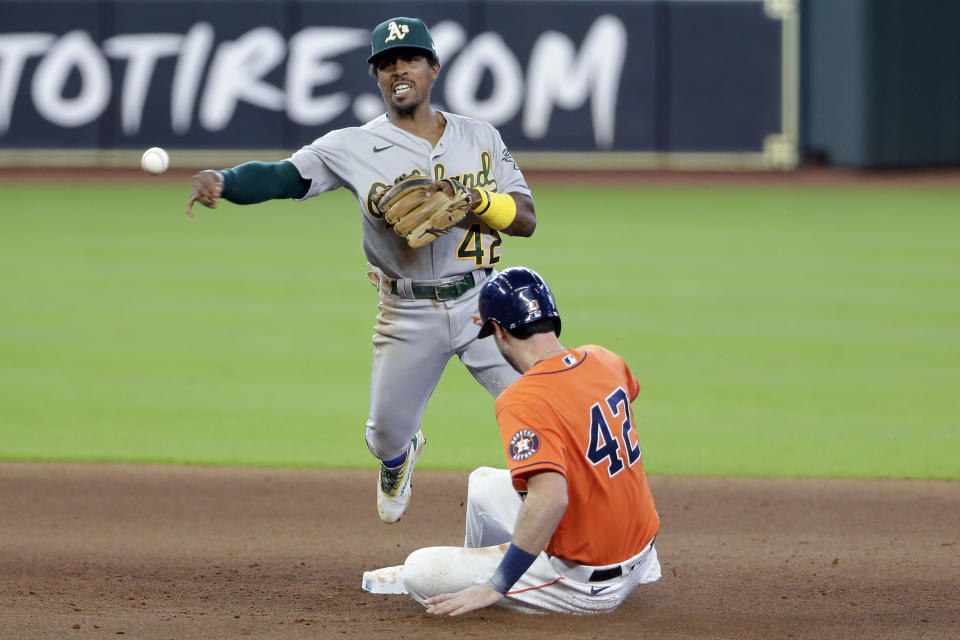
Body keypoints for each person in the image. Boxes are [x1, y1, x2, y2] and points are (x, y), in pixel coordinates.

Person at [185, 17, 536, 524]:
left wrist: (474, 200)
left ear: (433, 68)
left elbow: (525, 218)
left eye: (410, 58)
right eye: (386, 62)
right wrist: (226, 180)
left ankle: (564, 515)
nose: (399, 69)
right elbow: (285, 176)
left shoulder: (479, 136)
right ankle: (400, 456)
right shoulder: (351, 145)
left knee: (541, 402)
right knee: (385, 435)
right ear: (376, 76)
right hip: (407, 309)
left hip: (484, 306)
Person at [382, 266, 661, 615]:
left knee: (419, 571)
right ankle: (481, 574)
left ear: (498, 332)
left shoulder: (523, 398)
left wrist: (496, 586)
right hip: (641, 553)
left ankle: (493, 589)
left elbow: (551, 499)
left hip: (586, 583)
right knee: (483, 483)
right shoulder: (604, 359)